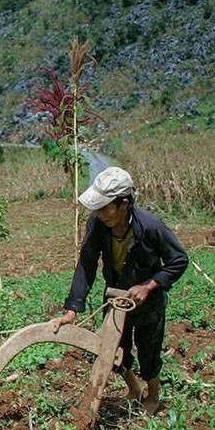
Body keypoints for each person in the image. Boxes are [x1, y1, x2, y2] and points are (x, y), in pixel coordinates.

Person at [51, 166, 188, 414]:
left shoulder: (151, 226)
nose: (99, 214)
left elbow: (178, 260)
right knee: (114, 350)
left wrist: (148, 286)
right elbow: (87, 262)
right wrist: (72, 309)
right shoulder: (98, 224)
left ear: (123, 204)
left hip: (148, 302)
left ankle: (153, 395)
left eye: (105, 208)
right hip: (116, 299)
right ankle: (134, 389)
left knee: (148, 351)